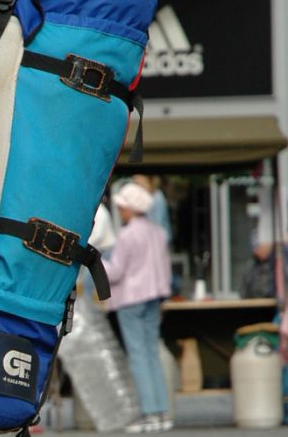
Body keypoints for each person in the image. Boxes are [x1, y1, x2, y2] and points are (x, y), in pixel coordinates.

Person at [104, 182, 173, 433]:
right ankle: (162, 412)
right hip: (155, 296)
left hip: (130, 299)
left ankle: (148, 413)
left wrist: (97, 261)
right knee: (151, 353)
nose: (120, 211)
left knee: (138, 356)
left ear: (131, 208)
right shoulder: (158, 232)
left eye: (122, 207)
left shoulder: (127, 234)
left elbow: (116, 272)